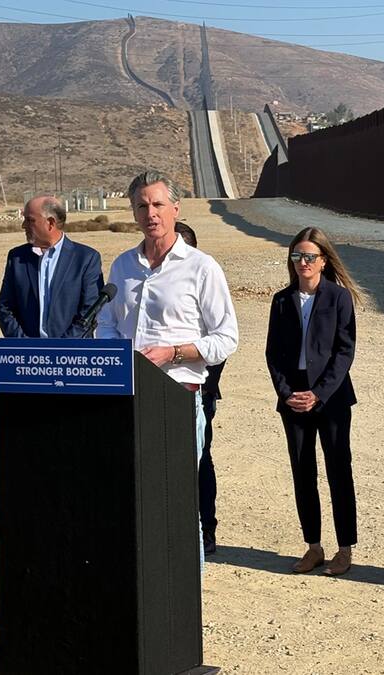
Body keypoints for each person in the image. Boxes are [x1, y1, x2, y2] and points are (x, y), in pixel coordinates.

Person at [96, 170, 239, 566]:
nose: (151, 213)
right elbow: (107, 322)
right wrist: (116, 354)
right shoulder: (123, 266)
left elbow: (226, 338)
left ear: (176, 208)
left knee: (176, 503)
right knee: (131, 499)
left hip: (177, 400)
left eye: (158, 204)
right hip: (126, 399)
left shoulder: (201, 268)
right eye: (142, 206)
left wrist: (173, 353)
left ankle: (186, 592)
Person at [265, 227, 362, 576]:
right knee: (302, 471)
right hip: (293, 398)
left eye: (309, 256)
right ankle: (313, 547)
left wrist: (318, 393)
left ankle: (344, 549)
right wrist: (287, 392)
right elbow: (273, 353)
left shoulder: (338, 298)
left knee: (338, 469)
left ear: (323, 260)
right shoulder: (281, 300)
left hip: (331, 397)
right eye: (297, 256)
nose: (303, 262)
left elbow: (344, 351)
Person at [174, 221, 227, 556]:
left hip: (199, 392)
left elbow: (221, 342)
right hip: (157, 390)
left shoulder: (206, 277)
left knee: (200, 460)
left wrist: (207, 385)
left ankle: (206, 530)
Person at [0, 195, 103, 338]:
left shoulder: (86, 259)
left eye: (30, 220)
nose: (23, 225)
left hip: (73, 350)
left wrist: (60, 348)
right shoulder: (17, 258)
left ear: (50, 223)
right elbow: (5, 308)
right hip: (27, 350)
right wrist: (25, 344)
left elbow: (90, 311)